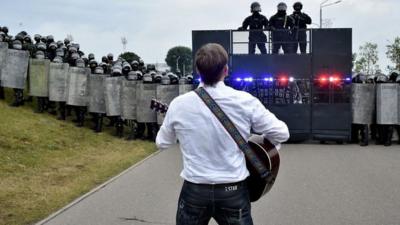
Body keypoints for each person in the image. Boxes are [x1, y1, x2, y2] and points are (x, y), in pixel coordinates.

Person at [156, 43, 289, 225]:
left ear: (198, 70)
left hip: (195, 189)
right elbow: (282, 133)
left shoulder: (179, 104)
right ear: (225, 70)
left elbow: (162, 143)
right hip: (233, 190)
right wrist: (260, 144)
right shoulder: (245, 101)